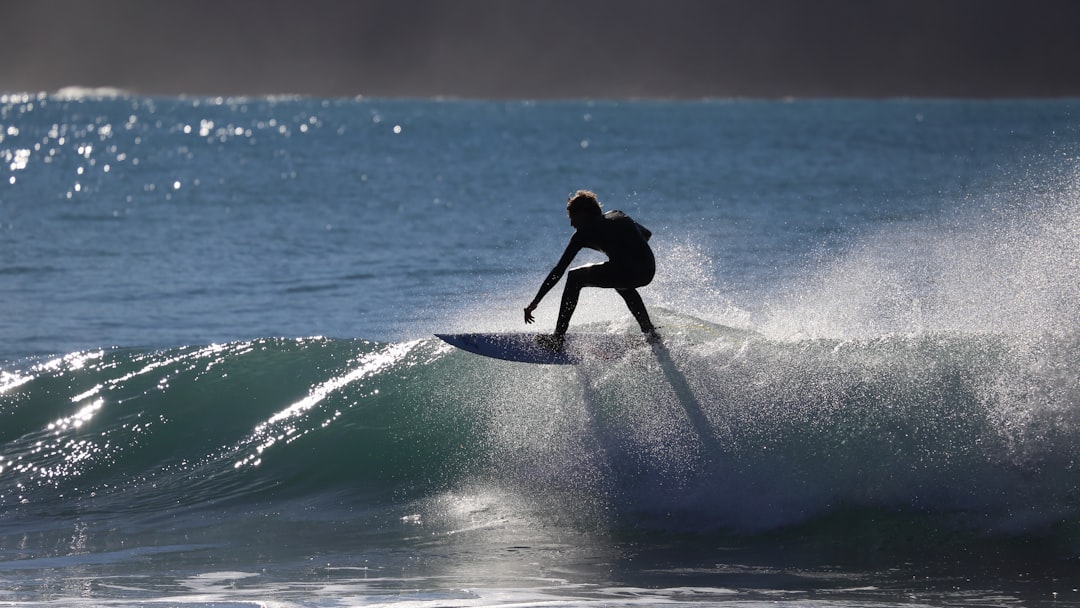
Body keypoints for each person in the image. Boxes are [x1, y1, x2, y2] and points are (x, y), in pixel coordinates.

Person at [524, 190, 658, 348]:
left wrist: (536, 301)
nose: (571, 223)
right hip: (648, 269)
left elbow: (559, 270)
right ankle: (649, 332)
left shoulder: (583, 233)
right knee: (621, 283)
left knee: (575, 277)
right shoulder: (618, 214)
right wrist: (628, 250)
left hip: (628, 271)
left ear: (582, 213)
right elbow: (646, 234)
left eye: (572, 217)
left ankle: (558, 338)